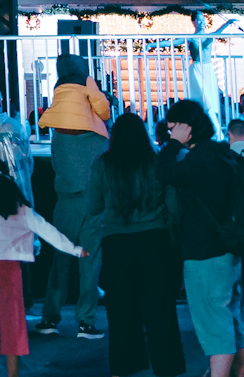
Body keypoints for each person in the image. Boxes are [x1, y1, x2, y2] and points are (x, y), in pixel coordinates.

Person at [0, 161, 87, 376]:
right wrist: (75, 250)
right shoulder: (20, 209)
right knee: (13, 325)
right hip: (10, 270)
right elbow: (48, 231)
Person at [154, 99, 244, 377]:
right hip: (227, 248)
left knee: (213, 324)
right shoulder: (222, 153)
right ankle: (240, 372)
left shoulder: (198, 161)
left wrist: (173, 144)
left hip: (204, 252)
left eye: (173, 128)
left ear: (187, 128)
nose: (169, 133)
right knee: (231, 318)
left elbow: (163, 172)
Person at [86, 111, 183, 377]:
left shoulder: (102, 164)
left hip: (116, 243)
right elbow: (173, 206)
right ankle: (167, 367)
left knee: (121, 309)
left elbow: (93, 206)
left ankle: (124, 366)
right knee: (160, 308)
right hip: (155, 240)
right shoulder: (156, 162)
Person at [35, 53, 109, 340]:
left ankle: (50, 319)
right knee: (90, 262)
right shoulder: (98, 136)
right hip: (92, 203)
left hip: (64, 201)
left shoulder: (58, 132)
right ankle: (85, 322)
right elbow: (103, 109)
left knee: (60, 262)